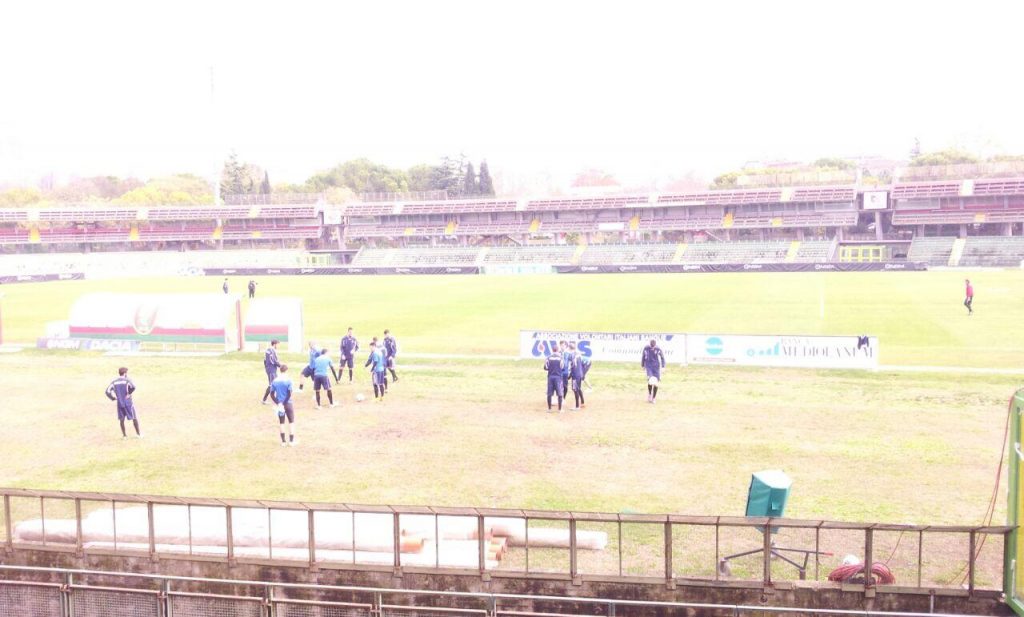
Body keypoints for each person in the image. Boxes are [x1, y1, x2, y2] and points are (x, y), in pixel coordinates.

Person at [105, 366, 142, 439]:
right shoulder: (127, 380)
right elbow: (133, 387)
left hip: (120, 403)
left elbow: (107, 391)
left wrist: (113, 398)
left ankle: (124, 436)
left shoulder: (114, 382)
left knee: (121, 420)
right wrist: (129, 393)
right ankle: (138, 434)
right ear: (125, 373)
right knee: (134, 418)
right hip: (128, 402)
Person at [270, 364, 297, 446]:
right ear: (286, 371)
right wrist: (284, 402)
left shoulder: (275, 381)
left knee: (281, 422)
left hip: (280, 404)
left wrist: (279, 403)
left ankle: (283, 442)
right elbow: (289, 394)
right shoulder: (288, 380)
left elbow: (271, 394)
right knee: (291, 422)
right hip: (288, 403)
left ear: (280, 370)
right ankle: (291, 441)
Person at [641, 339, 666, 404]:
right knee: (651, 381)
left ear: (655, 345)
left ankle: (654, 398)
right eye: (651, 347)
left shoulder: (658, 349)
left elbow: (662, 357)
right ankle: (649, 394)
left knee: (655, 383)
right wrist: (643, 365)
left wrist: (663, 367)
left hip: (656, 367)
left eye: (653, 347)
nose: (652, 348)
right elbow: (643, 356)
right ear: (650, 345)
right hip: (649, 366)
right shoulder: (646, 348)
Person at [543, 344, 564, 413]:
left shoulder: (548, 358)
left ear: (552, 350)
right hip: (558, 377)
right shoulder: (561, 358)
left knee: (549, 394)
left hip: (550, 377)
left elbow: (545, 368)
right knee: (560, 394)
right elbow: (562, 367)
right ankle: (560, 409)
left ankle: (549, 409)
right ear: (558, 350)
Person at [261, 339, 281, 404]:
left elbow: (264, 360)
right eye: (278, 345)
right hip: (271, 370)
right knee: (272, 385)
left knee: (275, 383)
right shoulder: (272, 351)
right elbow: (274, 361)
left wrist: (266, 367)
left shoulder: (268, 350)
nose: (278, 346)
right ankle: (264, 400)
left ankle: (277, 397)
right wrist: (281, 366)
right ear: (274, 344)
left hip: (270, 369)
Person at [569, 343, 586, 411]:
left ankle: (577, 406)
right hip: (579, 374)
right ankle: (582, 402)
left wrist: (570, 375)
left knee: (575, 390)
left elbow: (572, 366)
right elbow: (582, 364)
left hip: (575, 375)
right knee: (578, 389)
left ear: (569, 349)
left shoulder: (572, 356)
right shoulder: (578, 355)